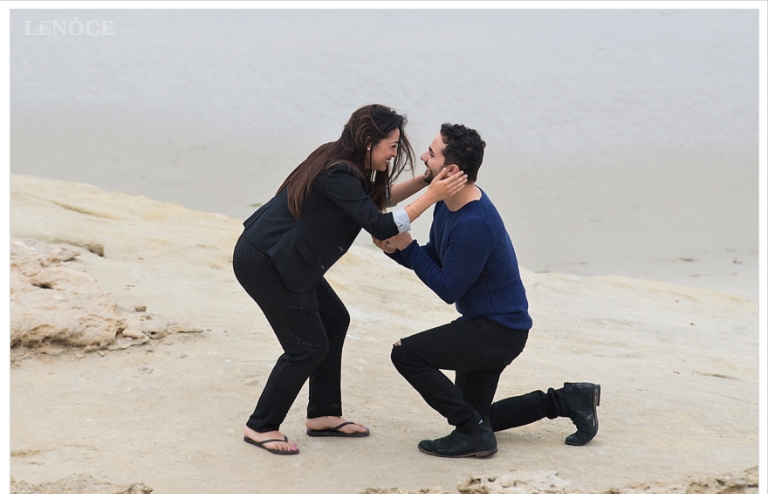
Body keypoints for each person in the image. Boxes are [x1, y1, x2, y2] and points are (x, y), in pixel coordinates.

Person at [232, 105, 467, 455]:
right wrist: (431, 198)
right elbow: (381, 225)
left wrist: (425, 182)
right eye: (391, 145)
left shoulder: (344, 162)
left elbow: (373, 203)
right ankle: (260, 426)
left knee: (334, 319)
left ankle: (323, 414)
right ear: (369, 141)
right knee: (306, 346)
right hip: (267, 261)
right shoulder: (337, 172)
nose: (394, 154)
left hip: (288, 258)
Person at [375, 123, 601, 458]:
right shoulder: (448, 206)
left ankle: (472, 433)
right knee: (480, 417)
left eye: (431, 153)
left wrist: (407, 246)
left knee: (405, 353)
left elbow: (448, 288)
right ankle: (568, 400)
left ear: (451, 170)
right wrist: (396, 250)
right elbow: (435, 261)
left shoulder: (474, 223)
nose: (423, 156)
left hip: (496, 332)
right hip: (487, 326)